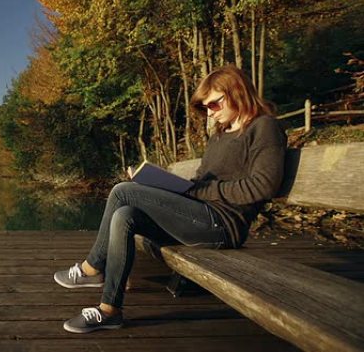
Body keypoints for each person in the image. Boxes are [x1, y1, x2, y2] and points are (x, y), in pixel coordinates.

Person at [54, 65, 287, 333]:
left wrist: (199, 191)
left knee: (122, 191)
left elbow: (263, 186)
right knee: (125, 215)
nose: (211, 112)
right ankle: (110, 310)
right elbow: (200, 181)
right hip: (197, 215)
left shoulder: (264, 127)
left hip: (223, 225)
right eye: (206, 107)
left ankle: (92, 268)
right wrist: (167, 184)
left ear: (238, 92)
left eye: (214, 103)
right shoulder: (220, 135)